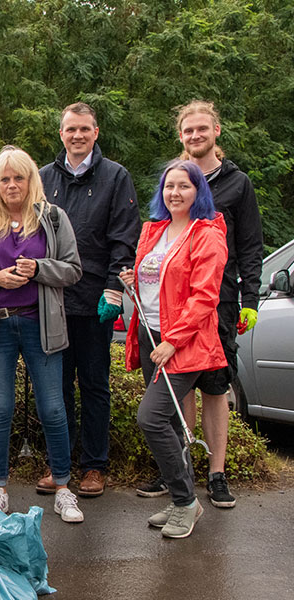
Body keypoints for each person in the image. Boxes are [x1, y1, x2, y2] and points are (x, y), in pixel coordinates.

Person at [137, 101, 263, 508]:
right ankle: (181, 468)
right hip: (176, 308)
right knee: (181, 389)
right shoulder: (173, 184)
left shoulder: (237, 183)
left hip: (218, 302)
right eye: (188, 131)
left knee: (214, 388)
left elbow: (249, 246)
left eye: (202, 129)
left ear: (216, 131)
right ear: (181, 136)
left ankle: (217, 473)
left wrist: (250, 299)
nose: (195, 136)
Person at [0, 146, 84, 523]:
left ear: (31, 181)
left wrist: (40, 268)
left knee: (53, 408)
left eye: (19, 178)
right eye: (4, 179)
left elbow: (73, 270)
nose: (12, 185)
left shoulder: (53, 218)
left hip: (40, 324)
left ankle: (63, 488)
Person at [121, 159, 228, 538]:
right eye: (169, 186)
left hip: (184, 343)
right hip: (152, 337)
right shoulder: (154, 230)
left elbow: (204, 297)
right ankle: (181, 495)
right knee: (167, 423)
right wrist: (131, 279)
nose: (175, 193)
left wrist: (172, 340)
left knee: (150, 418)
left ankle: (186, 502)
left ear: (198, 191)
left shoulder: (207, 234)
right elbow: (155, 281)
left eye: (184, 186)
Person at [38, 102, 141, 497]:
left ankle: (94, 466)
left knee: (95, 385)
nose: (77, 136)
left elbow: (124, 238)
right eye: (70, 129)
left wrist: (114, 288)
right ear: (61, 133)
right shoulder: (44, 178)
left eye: (84, 129)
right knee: (55, 387)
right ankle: (59, 463)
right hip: (51, 301)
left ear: (95, 132)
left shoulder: (116, 177)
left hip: (96, 298)